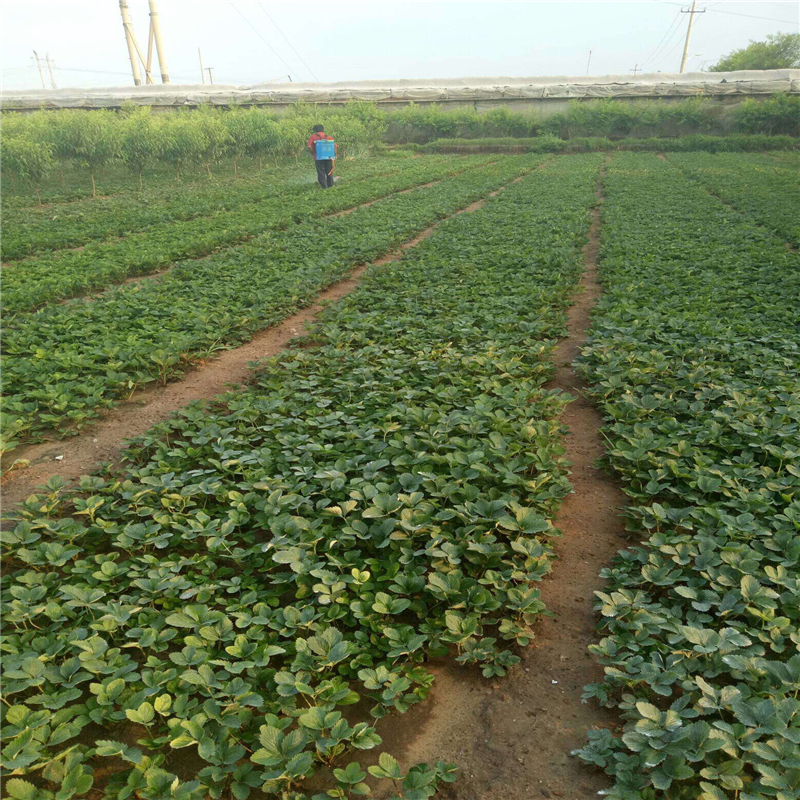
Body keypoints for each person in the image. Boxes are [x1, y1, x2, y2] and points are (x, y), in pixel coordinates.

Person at [307, 124, 337, 189]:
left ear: (315, 130)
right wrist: (334, 155)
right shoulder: (329, 137)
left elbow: (309, 146)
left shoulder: (313, 137)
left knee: (321, 172)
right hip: (329, 157)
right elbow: (335, 147)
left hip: (319, 157)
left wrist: (313, 153)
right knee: (329, 171)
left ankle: (324, 186)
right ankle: (331, 185)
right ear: (323, 130)